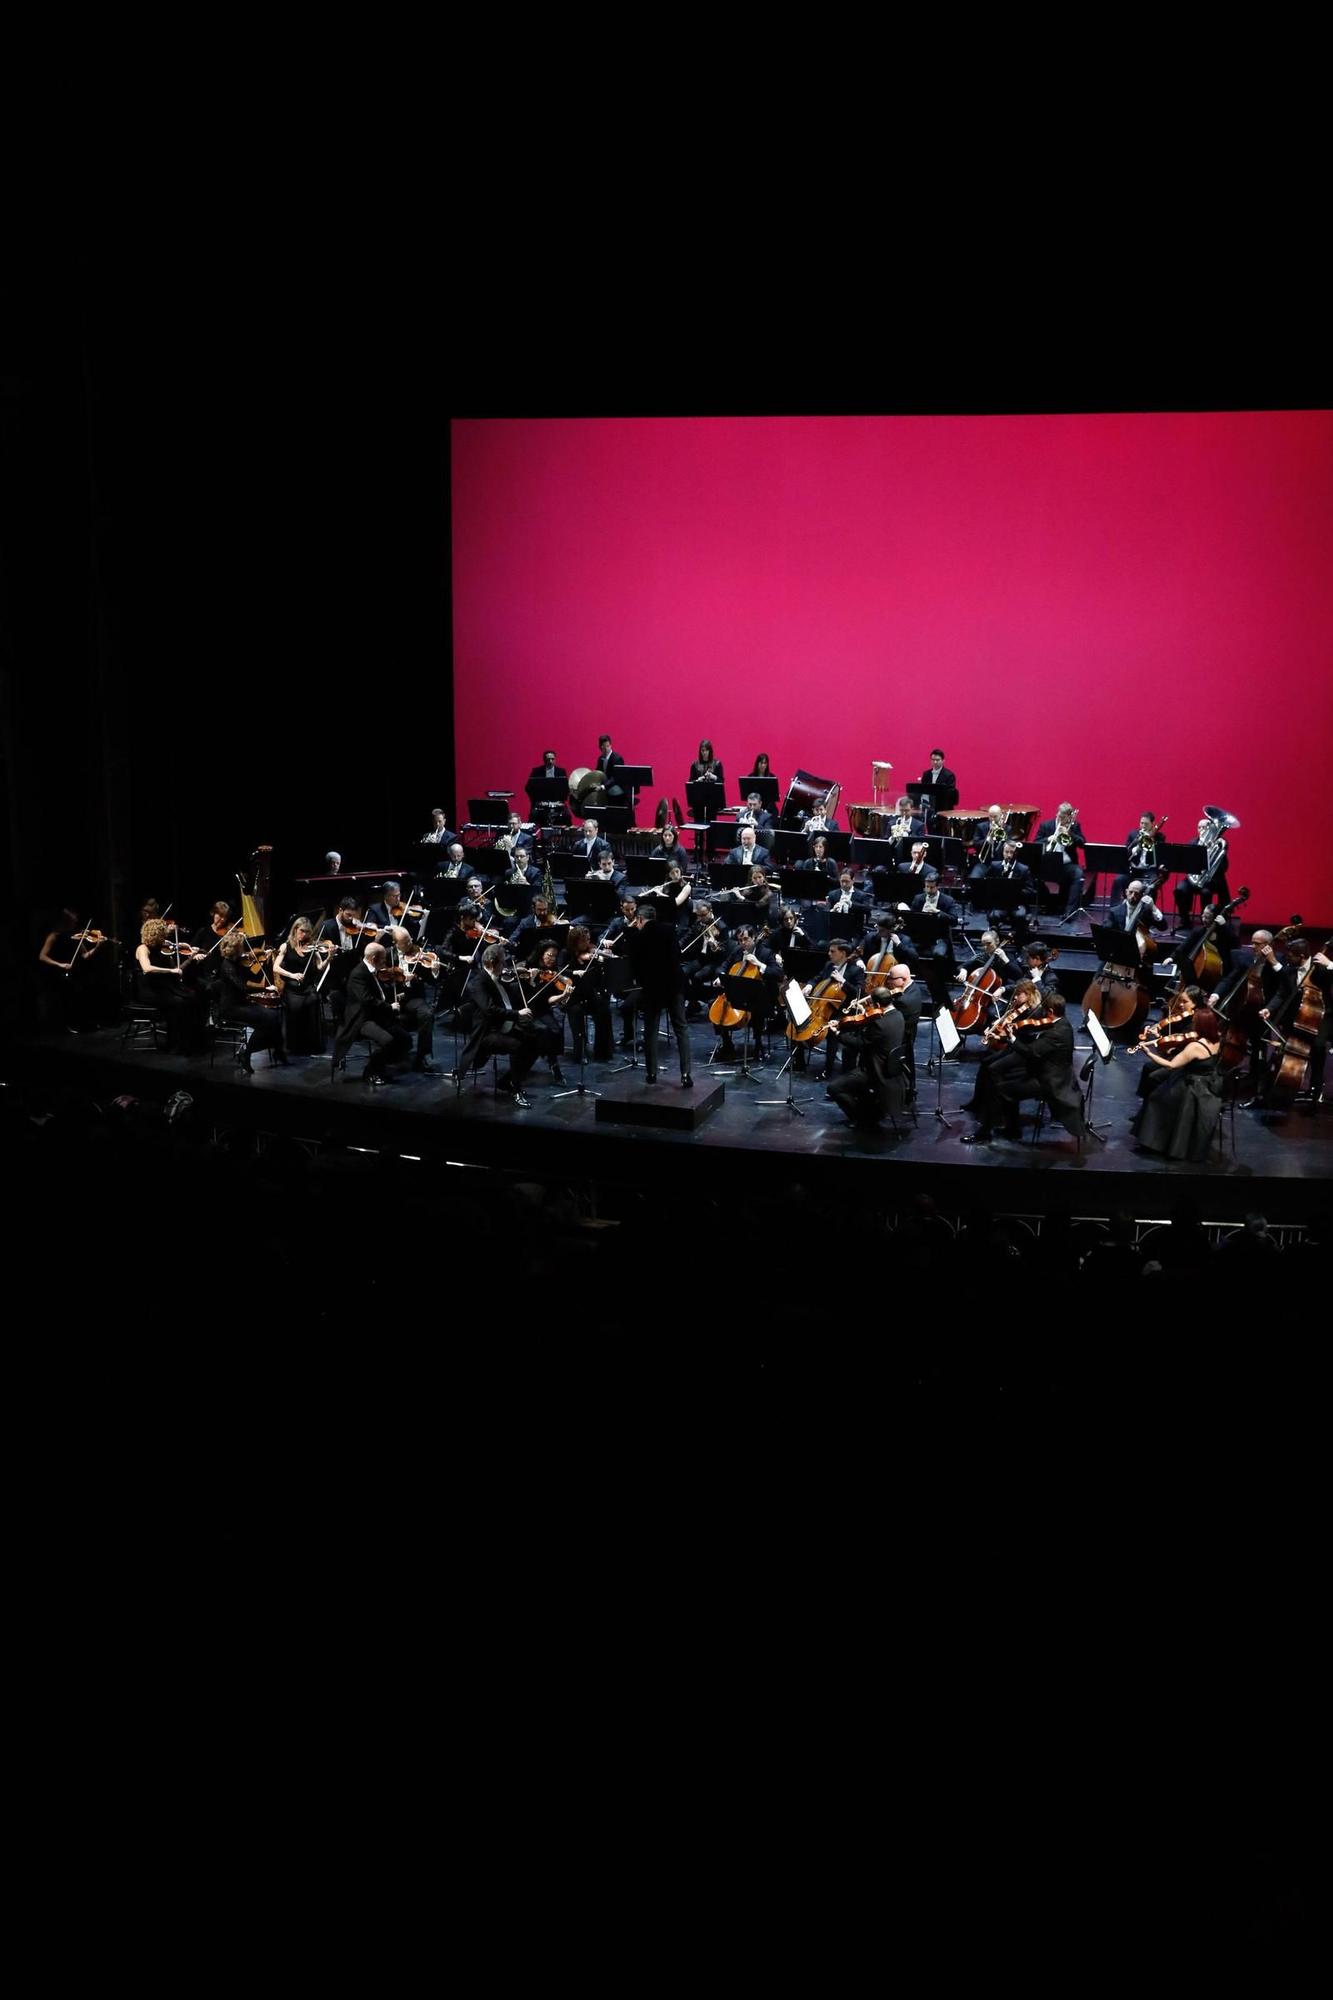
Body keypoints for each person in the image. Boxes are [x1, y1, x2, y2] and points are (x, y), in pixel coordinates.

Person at [964, 990, 1082, 1144]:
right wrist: (1003, 1037)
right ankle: (1012, 1129)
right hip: (1044, 1070)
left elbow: (1031, 1051)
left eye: (1045, 1012)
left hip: (1049, 1081)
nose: (1041, 1016)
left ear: (1051, 1011)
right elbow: (1034, 1041)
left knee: (998, 1089)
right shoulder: (1061, 1022)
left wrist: (1012, 1038)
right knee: (1000, 1078)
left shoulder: (1057, 1033)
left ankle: (984, 1133)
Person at [451, 943, 540, 1104]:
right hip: (488, 1033)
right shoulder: (478, 983)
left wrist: (524, 977)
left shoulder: (496, 975)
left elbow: (509, 982)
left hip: (503, 1026)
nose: (505, 966)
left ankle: (508, 1081)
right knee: (518, 1046)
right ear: (492, 963)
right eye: (503, 962)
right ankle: (515, 1086)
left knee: (535, 1042)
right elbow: (489, 1010)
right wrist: (517, 1014)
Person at [1131, 1004, 1224, 1159]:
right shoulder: (1218, 1039)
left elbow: (1171, 1065)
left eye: (1195, 1023)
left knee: (1156, 1098)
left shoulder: (1195, 1046)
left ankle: (1154, 1142)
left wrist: (1147, 1052)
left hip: (1192, 1088)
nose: (1193, 1025)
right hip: (1208, 1083)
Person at [624, 904, 692, 1086]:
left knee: (651, 1031)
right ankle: (686, 1075)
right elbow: (677, 956)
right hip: (674, 985)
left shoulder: (637, 937)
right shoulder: (669, 930)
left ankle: (651, 1074)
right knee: (681, 1029)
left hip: (652, 989)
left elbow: (634, 966)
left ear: (639, 919)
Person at [332, 941, 413, 1087]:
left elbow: (378, 993)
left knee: (405, 1039)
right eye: (383, 959)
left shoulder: (374, 970)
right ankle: (370, 1072)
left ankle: (384, 1063)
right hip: (362, 1018)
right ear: (373, 958)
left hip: (376, 1015)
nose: (385, 962)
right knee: (387, 1041)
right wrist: (389, 1006)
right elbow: (367, 1000)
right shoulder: (358, 974)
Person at [825, 999, 908, 1129]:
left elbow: (860, 1044)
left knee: (834, 1088)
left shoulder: (880, 1025)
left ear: (878, 1005)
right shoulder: (898, 1015)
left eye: (871, 1004)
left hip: (874, 1070)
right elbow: (869, 1026)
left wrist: (837, 1033)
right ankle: (868, 1110)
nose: (870, 1008)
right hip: (891, 1068)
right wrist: (846, 1022)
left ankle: (861, 1119)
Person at [133, 918, 208, 1053]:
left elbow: (176, 970)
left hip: (166, 987)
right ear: (156, 934)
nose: (166, 936)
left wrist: (192, 958)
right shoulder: (142, 948)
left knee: (193, 997)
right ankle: (176, 1043)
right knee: (179, 1003)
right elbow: (147, 968)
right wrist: (171, 971)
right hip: (150, 989)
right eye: (164, 933)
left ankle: (192, 1041)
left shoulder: (164, 948)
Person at [217, 931, 285, 1071]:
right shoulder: (227, 966)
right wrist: (265, 989)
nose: (245, 951)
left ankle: (278, 1049)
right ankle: (246, 1053)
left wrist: (264, 962)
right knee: (266, 1021)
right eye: (242, 947)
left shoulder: (237, 962)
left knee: (274, 1016)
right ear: (236, 949)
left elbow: (255, 977)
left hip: (243, 1003)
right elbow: (243, 987)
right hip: (231, 1007)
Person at [38, 909, 112, 1032]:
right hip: (59, 973)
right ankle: (67, 1024)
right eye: (73, 919)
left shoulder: (76, 936)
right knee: (67, 999)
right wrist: (60, 965)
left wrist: (98, 947)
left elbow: (85, 956)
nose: (76, 920)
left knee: (83, 996)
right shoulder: (54, 935)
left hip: (77, 973)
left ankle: (82, 1023)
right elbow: (42, 956)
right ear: (66, 920)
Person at [711, 924, 775, 1064]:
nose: (743, 943)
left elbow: (777, 973)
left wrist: (759, 964)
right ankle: (727, 1044)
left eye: (746, 939)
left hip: (758, 995)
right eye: (740, 940)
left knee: (757, 1010)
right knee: (715, 1007)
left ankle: (758, 1044)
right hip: (736, 993)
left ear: (753, 938)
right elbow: (723, 965)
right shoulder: (737, 951)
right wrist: (720, 976)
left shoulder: (765, 953)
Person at [274, 918, 331, 1055]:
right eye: (301, 931)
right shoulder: (286, 946)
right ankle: (294, 1045)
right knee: (295, 1007)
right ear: (295, 930)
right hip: (292, 989)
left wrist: (329, 956)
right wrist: (292, 975)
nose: (304, 935)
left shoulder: (312, 947)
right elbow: (276, 967)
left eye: (307, 932)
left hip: (308, 988)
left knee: (313, 999)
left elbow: (319, 967)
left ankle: (310, 1045)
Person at [564, 925, 614, 1063]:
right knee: (576, 1012)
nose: (587, 944)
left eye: (588, 940)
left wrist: (601, 960)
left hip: (590, 994)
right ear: (575, 942)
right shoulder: (566, 954)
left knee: (604, 1010)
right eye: (583, 941)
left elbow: (599, 978)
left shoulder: (592, 954)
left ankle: (603, 1051)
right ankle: (580, 1052)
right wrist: (574, 972)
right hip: (572, 997)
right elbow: (559, 971)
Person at [1174, 814, 1231, 928]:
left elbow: (1224, 867)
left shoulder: (1219, 843)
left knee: (1206, 893)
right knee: (1179, 890)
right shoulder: (1193, 842)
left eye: (1204, 827)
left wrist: (1212, 865)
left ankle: (1205, 921)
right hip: (1193, 878)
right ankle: (1185, 920)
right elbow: (1187, 863)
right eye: (1199, 827)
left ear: (1211, 829)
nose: (1201, 830)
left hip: (1211, 880)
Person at [1034, 803, 1088, 919]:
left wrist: (1070, 834)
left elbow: (1083, 844)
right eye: (1059, 816)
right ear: (1056, 814)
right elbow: (1036, 842)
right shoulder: (1046, 826)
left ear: (1069, 817)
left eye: (1063, 818)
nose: (1060, 820)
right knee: (1030, 873)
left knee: (1078, 874)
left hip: (1066, 865)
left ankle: (1069, 912)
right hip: (1049, 863)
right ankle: (1049, 903)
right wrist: (1048, 839)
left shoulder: (1074, 826)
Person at [1112, 813, 1168, 901]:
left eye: (1146, 824)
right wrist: (1136, 847)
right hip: (1134, 869)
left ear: (1153, 824)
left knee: (1152, 886)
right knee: (1119, 880)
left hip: (1149, 870)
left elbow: (1161, 854)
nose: (1143, 826)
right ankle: (1121, 905)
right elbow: (1126, 852)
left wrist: (1152, 840)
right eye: (1141, 823)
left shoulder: (1160, 837)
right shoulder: (1133, 834)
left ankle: (1147, 910)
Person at [920, 748, 958, 813]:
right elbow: (923, 791)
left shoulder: (949, 775)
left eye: (937, 760)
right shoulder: (926, 774)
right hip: (929, 807)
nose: (935, 762)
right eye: (933, 760)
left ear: (943, 761)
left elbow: (950, 793)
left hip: (944, 808)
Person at [596, 734, 626, 804]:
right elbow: (598, 772)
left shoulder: (617, 759)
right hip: (606, 785)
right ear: (600, 747)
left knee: (612, 791)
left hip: (616, 786)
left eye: (608, 746)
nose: (606, 749)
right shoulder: (600, 759)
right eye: (604, 747)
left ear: (610, 745)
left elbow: (616, 778)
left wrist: (604, 786)